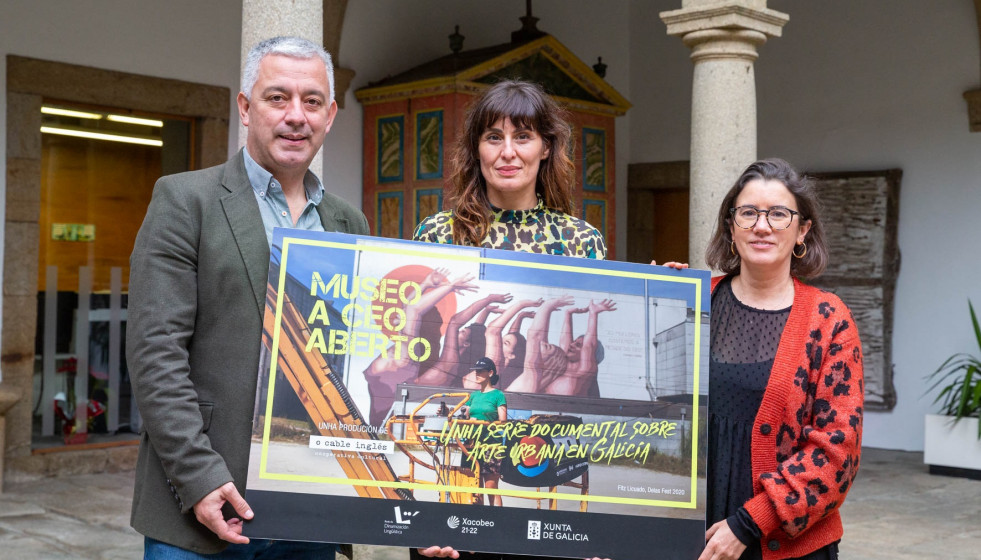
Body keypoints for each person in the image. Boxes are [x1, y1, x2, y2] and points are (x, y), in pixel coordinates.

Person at [127, 36, 369, 558]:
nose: (295, 116)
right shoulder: (184, 200)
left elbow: (348, 354)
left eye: (311, 102)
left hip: (311, 505)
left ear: (330, 115)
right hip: (205, 504)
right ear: (245, 107)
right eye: (277, 98)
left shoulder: (347, 221)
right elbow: (155, 352)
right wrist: (199, 477)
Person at [411, 79, 608, 560]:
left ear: (546, 148)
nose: (508, 152)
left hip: (538, 434)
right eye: (493, 137)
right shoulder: (438, 232)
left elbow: (587, 359)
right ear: (475, 148)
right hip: (459, 425)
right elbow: (422, 339)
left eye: (523, 136)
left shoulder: (581, 241)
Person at [700, 159, 864, 560]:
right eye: (748, 213)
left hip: (782, 545)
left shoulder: (829, 320)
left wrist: (748, 523)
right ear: (730, 226)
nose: (762, 225)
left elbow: (837, 451)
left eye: (778, 214)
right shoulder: (695, 301)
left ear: (802, 229)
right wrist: (659, 294)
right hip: (693, 536)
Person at [462, 357, 508, 506]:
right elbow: (464, 413)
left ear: (490, 373)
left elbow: (503, 422)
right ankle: (479, 520)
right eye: (476, 371)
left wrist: (484, 423)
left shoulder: (498, 395)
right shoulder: (473, 396)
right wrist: (448, 412)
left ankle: (497, 520)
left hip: (490, 445)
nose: (477, 374)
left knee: (491, 486)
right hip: (472, 444)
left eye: (480, 371)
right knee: (474, 486)